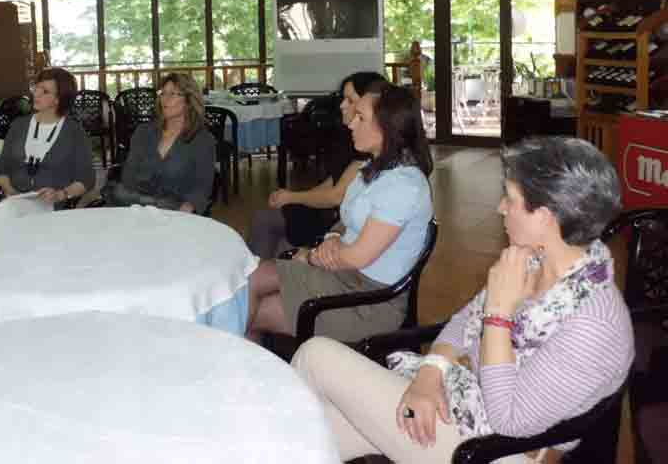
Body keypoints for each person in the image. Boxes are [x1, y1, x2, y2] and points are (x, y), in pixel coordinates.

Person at [292, 137, 633, 464]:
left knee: (315, 354)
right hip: (462, 404)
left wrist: (498, 315)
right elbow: (463, 321)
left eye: (510, 199)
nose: (500, 207)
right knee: (313, 436)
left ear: (544, 217)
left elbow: (509, 421)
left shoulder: (594, 322)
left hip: (495, 451)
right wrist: (430, 374)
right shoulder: (533, 261)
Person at [246, 82, 433, 343]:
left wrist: (310, 257)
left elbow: (357, 257)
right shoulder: (374, 168)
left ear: (387, 127)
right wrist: (332, 238)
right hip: (344, 278)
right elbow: (347, 220)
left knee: (249, 310)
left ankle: (244, 374)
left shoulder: (404, 185)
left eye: (360, 117)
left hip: (367, 302)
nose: (350, 123)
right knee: (249, 279)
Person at [249, 71, 385, 257]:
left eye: (350, 100)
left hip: (341, 222)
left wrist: (292, 198)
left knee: (266, 221)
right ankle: (262, 275)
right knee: (274, 228)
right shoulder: (348, 138)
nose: (342, 105)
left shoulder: (369, 149)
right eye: (342, 98)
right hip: (334, 215)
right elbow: (333, 181)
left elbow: (336, 196)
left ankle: (256, 276)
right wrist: (293, 196)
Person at [105, 73, 216, 213]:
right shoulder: (143, 132)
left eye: (173, 94)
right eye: (163, 93)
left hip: (177, 211)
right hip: (138, 207)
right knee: (119, 192)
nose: (165, 99)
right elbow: (128, 177)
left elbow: (202, 188)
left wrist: (189, 206)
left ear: (188, 101)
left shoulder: (202, 140)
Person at [0, 67, 96, 207]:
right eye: (36, 88)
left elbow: (87, 179)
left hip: (53, 205)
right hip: (15, 202)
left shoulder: (74, 132)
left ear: (58, 99)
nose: (36, 94)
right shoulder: (18, 125)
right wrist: (10, 192)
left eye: (45, 91)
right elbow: (1, 170)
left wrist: (61, 194)